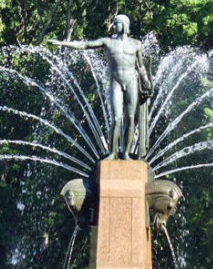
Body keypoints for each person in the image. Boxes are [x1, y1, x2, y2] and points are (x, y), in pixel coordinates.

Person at [50, 14, 153, 160]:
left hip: (131, 80)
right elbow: (85, 45)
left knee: (130, 118)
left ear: (124, 25)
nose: (114, 26)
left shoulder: (136, 44)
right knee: (117, 118)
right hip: (115, 81)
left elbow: (141, 66)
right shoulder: (107, 42)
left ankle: (125, 153)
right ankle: (112, 153)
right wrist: (64, 44)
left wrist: (146, 80)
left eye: (117, 23)